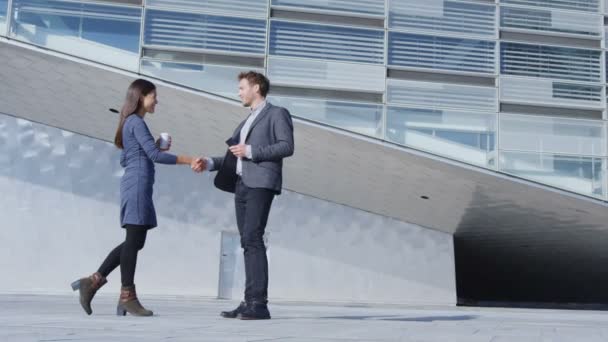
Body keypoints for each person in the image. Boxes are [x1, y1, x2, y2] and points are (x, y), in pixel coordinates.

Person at [71, 79, 200, 317]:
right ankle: (127, 296)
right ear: (141, 97)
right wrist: (188, 159)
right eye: (154, 96)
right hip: (138, 186)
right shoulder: (136, 122)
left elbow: (129, 158)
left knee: (135, 241)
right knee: (133, 239)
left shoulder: (131, 123)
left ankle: (93, 282)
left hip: (136, 184)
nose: (156, 101)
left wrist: (154, 146)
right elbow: (153, 156)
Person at [193, 71, 294, 320]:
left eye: (241, 87)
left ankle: (259, 304)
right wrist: (208, 162)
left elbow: (286, 146)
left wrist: (251, 150)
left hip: (261, 182)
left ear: (256, 87)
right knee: (247, 241)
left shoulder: (276, 113)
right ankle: (249, 300)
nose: (239, 92)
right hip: (241, 184)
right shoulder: (246, 121)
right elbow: (233, 155)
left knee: (253, 237)